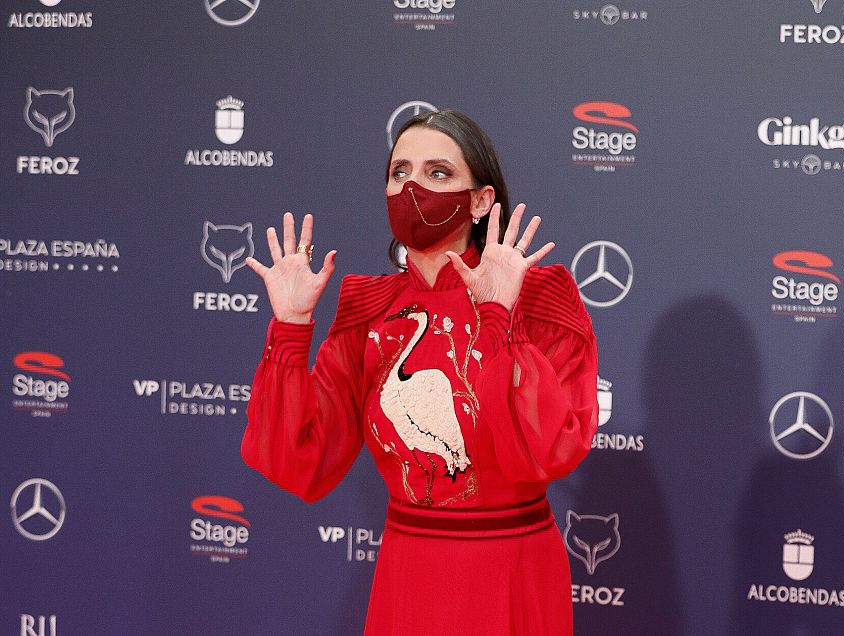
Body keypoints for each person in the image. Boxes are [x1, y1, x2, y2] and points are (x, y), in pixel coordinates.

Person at [241, 110, 599, 634]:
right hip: (409, 577)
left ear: (480, 200)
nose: (412, 187)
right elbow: (298, 461)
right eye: (399, 172)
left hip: (512, 577)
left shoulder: (541, 296)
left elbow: (548, 452)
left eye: (437, 173)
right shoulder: (367, 306)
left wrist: (501, 316)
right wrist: (292, 326)